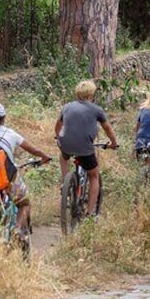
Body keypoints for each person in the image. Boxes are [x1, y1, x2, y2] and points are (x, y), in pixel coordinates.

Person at [0, 103, 52, 232]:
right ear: (4, 118)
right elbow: (32, 149)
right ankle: (17, 229)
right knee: (24, 203)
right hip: (10, 177)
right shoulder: (11, 134)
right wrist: (44, 156)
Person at [54, 80, 119, 217]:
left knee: (63, 156)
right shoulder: (96, 109)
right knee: (94, 175)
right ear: (92, 94)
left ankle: (65, 180)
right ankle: (90, 213)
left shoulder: (67, 107)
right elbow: (107, 128)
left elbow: (58, 125)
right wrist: (113, 143)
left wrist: (58, 137)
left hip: (65, 143)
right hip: (85, 147)